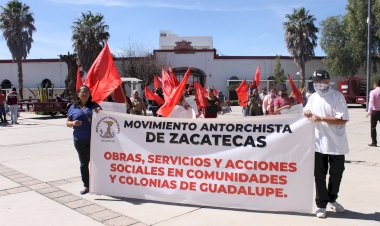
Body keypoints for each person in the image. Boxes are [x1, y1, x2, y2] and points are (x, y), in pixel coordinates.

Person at [303, 69, 349, 218]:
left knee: (336, 174)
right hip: (317, 144)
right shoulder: (313, 97)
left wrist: (322, 119)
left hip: (336, 144)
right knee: (319, 175)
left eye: (321, 82)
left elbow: (343, 119)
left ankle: (332, 199)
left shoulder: (337, 96)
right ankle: (321, 205)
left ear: (328, 82)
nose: (318, 85)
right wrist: (307, 113)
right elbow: (306, 111)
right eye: (315, 82)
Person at [66, 85, 101, 195]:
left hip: (95, 140)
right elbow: (67, 122)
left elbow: (104, 118)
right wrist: (73, 123)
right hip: (80, 140)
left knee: (97, 163)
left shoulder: (94, 105)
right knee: (84, 163)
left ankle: (99, 184)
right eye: (83, 91)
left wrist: (99, 113)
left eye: (87, 91)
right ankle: (87, 185)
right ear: (78, 94)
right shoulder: (73, 107)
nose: (85, 93)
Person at [366, 80, 380, 147]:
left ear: (376, 84)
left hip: (375, 112)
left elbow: (371, 102)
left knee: (373, 127)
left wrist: (369, 111)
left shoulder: (373, 92)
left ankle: (374, 142)